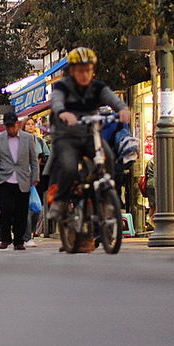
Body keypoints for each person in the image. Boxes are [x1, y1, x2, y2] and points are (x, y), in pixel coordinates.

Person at [45, 47, 131, 219]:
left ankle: (106, 198)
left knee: (108, 158)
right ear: (71, 71)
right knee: (69, 167)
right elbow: (56, 101)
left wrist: (123, 109)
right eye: (80, 71)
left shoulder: (97, 87)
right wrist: (63, 113)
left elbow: (113, 99)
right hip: (66, 136)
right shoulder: (63, 86)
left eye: (88, 70)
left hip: (89, 134)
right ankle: (60, 201)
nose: (84, 74)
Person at [0, 111, 41, 250]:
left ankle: (19, 241)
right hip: (4, 180)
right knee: (5, 210)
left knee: (21, 212)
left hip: (23, 180)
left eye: (13, 126)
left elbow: (34, 160)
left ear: (17, 124)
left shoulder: (28, 138)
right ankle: (5, 239)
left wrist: (35, 177)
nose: (11, 129)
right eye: (8, 126)